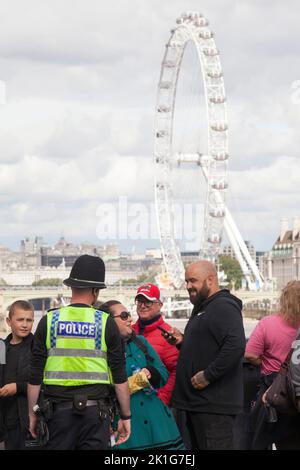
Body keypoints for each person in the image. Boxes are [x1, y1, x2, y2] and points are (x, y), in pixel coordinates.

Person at [28, 254, 131, 450]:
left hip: (56, 415)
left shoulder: (50, 320)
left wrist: (32, 414)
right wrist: (125, 416)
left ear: (72, 286)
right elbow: (119, 378)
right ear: (96, 291)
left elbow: (34, 377)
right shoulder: (105, 322)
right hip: (95, 416)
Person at [171, 260, 246, 450]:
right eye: (187, 281)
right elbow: (207, 346)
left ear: (211, 280)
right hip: (197, 406)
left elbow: (235, 345)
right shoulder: (203, 308)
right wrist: (183, 342)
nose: (188, 286)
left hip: (213, 408)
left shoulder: (224, 307)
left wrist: (209, 375)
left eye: (193, 281)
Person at [101, 300, 185, 451]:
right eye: (124, 316)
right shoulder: (100, 349)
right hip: (126, 424)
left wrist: (150, 372)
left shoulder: (140, 342)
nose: (130, 319)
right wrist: (129, 384)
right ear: (108, 321)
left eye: (129, 315)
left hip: (158, 423)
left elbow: (163, 373)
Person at [245, 280, 300, 449]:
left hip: (273, 389)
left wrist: (265, 362)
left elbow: (249, 354)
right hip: (296, 389)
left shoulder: (268, 323)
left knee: (263, 436)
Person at [132, 283, 179, 407]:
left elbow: (176, 371)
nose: (143, 305)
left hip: (154, 403)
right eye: (139, 301)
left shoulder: (168, 334)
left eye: (148, 302)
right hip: (131, 402)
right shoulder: (129, 331)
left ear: (160, 305)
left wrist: (162, 399)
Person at [0, 300, 34, 450]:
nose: (25, 324)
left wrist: (18, 387)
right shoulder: (2, 348)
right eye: (20, 320)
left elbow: (46, 382)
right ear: (9, 321)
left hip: (28, 423)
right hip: (6, 424)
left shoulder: (37, 347)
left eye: (29, 320)